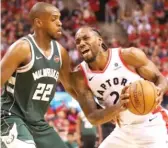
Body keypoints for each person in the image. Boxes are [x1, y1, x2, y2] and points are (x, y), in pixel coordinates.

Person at [72, 26, 168, 148]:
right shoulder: (80, 75)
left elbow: (160, 78)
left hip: (152, 124)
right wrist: (119, 107)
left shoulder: (128, 55)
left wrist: (159, 89)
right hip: (123, 130)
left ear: (99, 40)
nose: (81, 43)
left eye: (86, 38)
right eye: (78, 41)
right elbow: (92, 117)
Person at [1, 2, 78, 148]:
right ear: (39, 22)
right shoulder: (22, 48)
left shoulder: (61, 53)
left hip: (37, 122)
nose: (60, 23)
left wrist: (99, 110)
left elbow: (71, 87)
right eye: (54, 19)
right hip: (10, 115)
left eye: (60, 18)